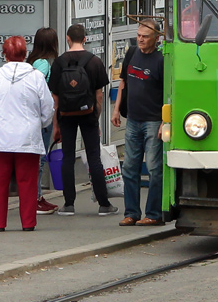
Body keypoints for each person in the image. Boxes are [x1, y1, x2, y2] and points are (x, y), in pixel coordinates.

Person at [0, 35, 55, 233]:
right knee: (27, 182)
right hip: (27, 137)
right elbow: (48, 107)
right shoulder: (36, 76)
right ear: (25, 54)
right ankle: (28, 222)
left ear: (4, 54)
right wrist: (39, 123)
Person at [48, 24, 117, 216]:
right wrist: (96, 117)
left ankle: (68, 204)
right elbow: (100, 96)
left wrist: (56, 124)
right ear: (85, 39)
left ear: (68, 39)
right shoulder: (94, 62)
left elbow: (55, 99)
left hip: (66, 116)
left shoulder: (59, 63)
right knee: (94, 157)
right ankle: (104, 204)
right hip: (88, 115)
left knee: (68, 157)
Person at [111, 19, 165, 227]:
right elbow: (123, 82)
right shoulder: (132, 53)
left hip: (153, 120)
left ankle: (154, 213)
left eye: (145, 36)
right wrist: (116, 109)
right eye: (139, 35)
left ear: (157, 38)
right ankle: (131, 213)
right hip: (133, 118)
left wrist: (164, 122)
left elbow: (169, 92)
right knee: (130, 168)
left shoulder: (161, 59)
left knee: (153, 168)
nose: (140, 40)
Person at [26, 27, 60, 214]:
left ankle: (36, 196)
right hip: (41, 117)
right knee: (38, 160)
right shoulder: (44, 64)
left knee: (37, 159)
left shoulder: (33, 61)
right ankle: (35, 198)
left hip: (35, 116)